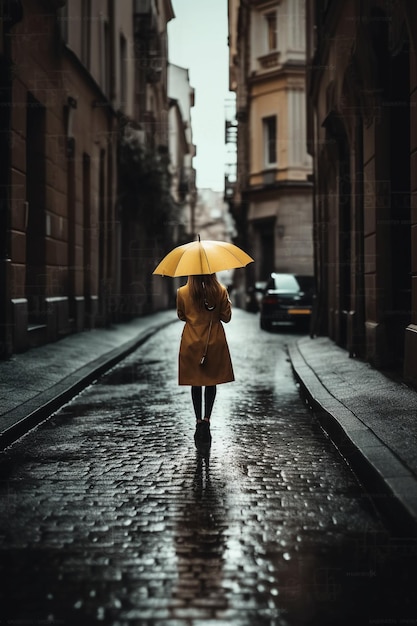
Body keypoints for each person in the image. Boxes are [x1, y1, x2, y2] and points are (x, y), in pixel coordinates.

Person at [176, 273, 234, 445]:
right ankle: (207, 419)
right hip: (214, 340)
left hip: (191, 341)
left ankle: (198, 421)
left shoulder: (182, 292)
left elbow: (181, 316)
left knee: (196, 382)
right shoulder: (220, 290)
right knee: (211, 381)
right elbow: (226, 317)